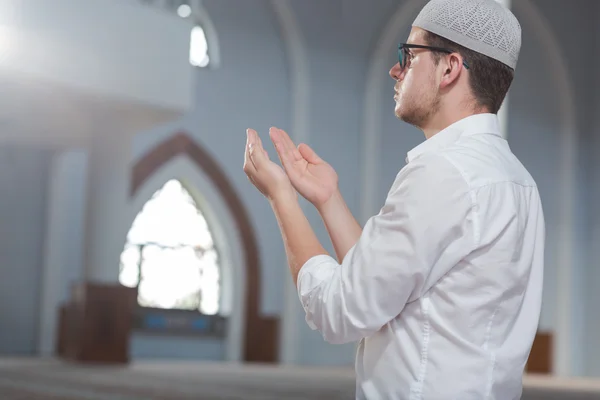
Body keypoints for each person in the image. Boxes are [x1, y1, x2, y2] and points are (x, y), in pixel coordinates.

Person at [243, 0, 544, 398]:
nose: (395, 69)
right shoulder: (518, 180)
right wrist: (328, 199)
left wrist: (280, 197)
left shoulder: (442, 173)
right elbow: (381, 294)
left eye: (410, 54)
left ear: (449, 68)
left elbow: (342, 312)